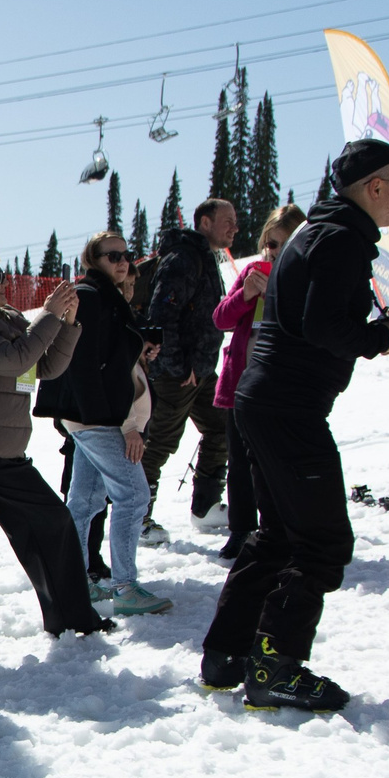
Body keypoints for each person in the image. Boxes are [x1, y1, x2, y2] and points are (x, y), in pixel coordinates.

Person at [200, 139, 389, 711]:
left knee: (277, 536)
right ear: (374, 187)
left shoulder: (321, 232)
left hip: (265, 399)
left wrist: (371, 330)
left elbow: (309, 318)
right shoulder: (342, 237)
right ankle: (275, 668)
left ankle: (228, 655)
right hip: (287, 407)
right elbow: (323, 326)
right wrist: (382, 337)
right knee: (323, 544)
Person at [0, 247, 109, 659]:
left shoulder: (7, 319)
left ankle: (73, 616)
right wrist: (47, 315)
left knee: (54, 522)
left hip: (5, 449)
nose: (6, 282)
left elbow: (43, 368)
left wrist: (68, 323)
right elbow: (14, 358)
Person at [37, 231, 172, 617]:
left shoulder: (105, 297)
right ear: (92, 259)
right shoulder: (93, 296)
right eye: (111, 255)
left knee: (85, 500)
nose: (122, 261)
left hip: (89, 415)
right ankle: (125, 587)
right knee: (133, 496)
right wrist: (109, 418)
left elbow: (105, 355)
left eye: (126, 254)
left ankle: (78, 580)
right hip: (95, 416)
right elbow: (81, 361)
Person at [210, 206, 306, 559]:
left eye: (282, 244)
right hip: (241, 383)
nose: (274, 252)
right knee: (238, 460)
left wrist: (278, 298)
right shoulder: (252, 270)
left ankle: (278, 528)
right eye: (270, 244)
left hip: (282, 385)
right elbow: (221, 319)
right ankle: (240, 529)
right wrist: (245, 294)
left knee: (276, 460)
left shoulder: (303, 276)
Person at [139, 197, 236, 534]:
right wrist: (178, 367)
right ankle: (138, 518)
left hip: (201, 372)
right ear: (205, 222)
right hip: (176, 374)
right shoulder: (183, 259)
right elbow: (160, 317)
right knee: (159, 443)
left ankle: (206, 507)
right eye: (228, 221)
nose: (234, 228)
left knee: (223, 427)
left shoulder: (204, 258)